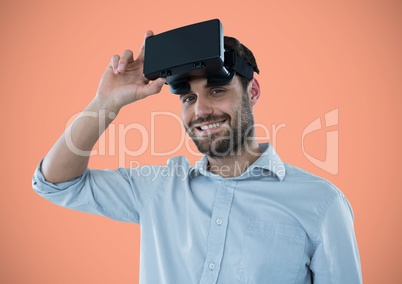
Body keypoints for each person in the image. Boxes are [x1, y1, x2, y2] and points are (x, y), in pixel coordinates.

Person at [32, 28, 362, 283]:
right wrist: (106, 103)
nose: (201, 110)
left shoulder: (320, 203)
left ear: (253, 91)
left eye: (217, 90)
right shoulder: (157, 189)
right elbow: (56, 183)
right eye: (188, 98)